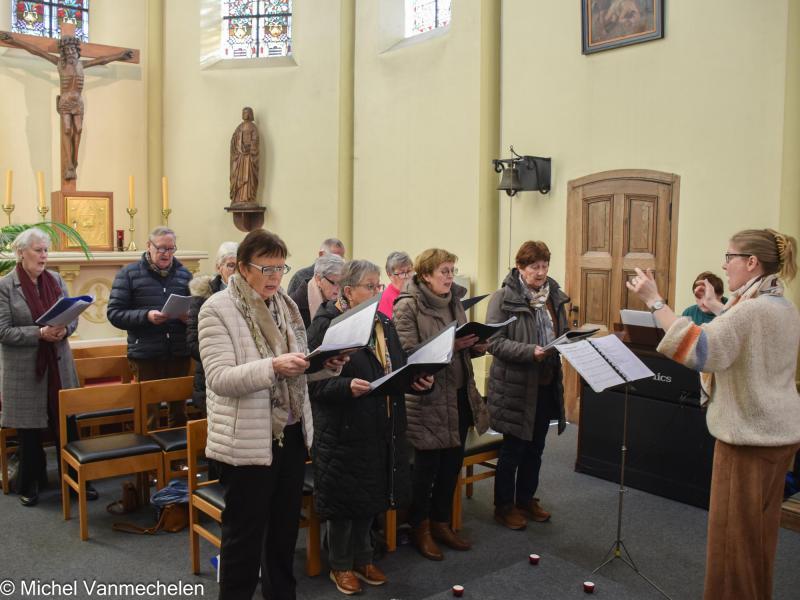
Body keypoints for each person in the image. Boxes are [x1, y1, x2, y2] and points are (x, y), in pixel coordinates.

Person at [626, 228, 800, 600]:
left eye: (730, 256)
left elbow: (699, 349)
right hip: (778, 436)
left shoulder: (751, 310)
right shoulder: (782, 305)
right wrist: (718, 307)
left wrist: (655, 301)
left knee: (732, 547)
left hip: (746, 441)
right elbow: (741, 333)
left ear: (751, 262)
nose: (724, 264)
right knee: (757, 542)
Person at [198, 229, 348, 600]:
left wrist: (324, 364)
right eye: (266, 269)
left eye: (281, 268)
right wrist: (273, 368)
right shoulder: (217, 308)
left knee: (283, 533)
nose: (275, 277)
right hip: (247, 440)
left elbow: (297, 363)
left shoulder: (285, 305)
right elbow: (219, 379)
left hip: (291, 433)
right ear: (243, 268)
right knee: (244, 538)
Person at [307, 260, 433, 595]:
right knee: (344, 501)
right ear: (348, 291)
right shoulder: (328, 324)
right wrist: (344, 387)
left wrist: (416, 380)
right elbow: (312, 385)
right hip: (342, 428)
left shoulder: (382, 321)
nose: (378, 292)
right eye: (370, 286)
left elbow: (397, 365)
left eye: (379, 286)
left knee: (369, 495)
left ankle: (363, 558)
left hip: (380, 424)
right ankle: (340, 565)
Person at [393, 248, 490, 560]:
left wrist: (475, 345)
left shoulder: (455, 301)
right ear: (425, 276)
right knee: (426, 470)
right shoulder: (407, 306)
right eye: (444, 271)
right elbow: (407, 355)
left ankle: (441, 522)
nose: (451, 277)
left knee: (451, 465)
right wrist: (451, 345)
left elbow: (461, 346)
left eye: (452, 270)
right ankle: (420, 526)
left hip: (459, 393)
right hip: (427, 397)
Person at [0, 228, 89, 506]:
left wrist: (65, 330)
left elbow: (72, 316)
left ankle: (76, 481)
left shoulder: (57, 279)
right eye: (38, 250)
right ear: (21, 252)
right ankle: (30, 483)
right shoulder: (5, 285)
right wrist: (39, 334)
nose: (43, 256)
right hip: (25, 369)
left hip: (59, 365)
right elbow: (3, 331)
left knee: (67, 424)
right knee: (29, 432)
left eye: (46, 251)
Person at [486, 241, 568, 530]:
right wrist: (528, 351)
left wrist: (573, 341)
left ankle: (526, 499)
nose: (541, 272)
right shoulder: (503, 297)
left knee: (536, 447)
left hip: (546, 383)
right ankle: (504, 507)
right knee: (514, 449)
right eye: (534, 266)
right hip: (515, 385)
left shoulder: (553, 296)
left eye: (545, 266)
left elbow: (562, 332)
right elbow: (493, 342)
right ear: (520, 267)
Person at [0, 31, 133, 181]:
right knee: (67, 129)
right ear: (63, 52)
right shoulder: (59, 64)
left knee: (79, 129)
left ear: (77, 52)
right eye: (67, 50)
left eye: (73, 50)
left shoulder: (82, 65)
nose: (71, 53)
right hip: (65, 102)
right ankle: (69, 164)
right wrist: (15, 41)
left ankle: (74, 162)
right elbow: (37, 51)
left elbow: (102, 60)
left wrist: (120, 55)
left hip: (78, 103)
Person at [107, 226, 193, 429]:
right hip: (145, 353)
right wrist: (146, 316)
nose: (166, 254)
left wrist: (187, 317)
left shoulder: (184, 275)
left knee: (179, 413)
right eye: (161, 248)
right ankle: (149, 458)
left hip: (178, 351)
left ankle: (179, 459)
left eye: (171, 249)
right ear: (149, 246)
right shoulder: (128, 274)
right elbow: (114, 314)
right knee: (149, 414)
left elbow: (197, 312)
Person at [186, 241, 238, 415]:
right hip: (210, 379)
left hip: (242, 379)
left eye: (240, 266)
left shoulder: (252, 295)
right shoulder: (203, 297)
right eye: (231, 265)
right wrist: (225, 355)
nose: (235, 271)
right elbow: (193, 343)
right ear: (219, 267)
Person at [289, 253, 344, 328]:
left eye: (342, 283)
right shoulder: (294, 306)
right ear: (318, 279)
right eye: (334, 283)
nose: (339, 288)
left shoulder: (339, 301)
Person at [229, 106, 260, 205]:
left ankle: (248, 197)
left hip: (249, 157)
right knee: (238, 175)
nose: (244, 114)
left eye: (246, 112)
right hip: (240, 156)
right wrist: (238, 145)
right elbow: (234, 140)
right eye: (243, 112)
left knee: (249, 176)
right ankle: (238, 197)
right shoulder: (239, 127)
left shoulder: (253, 127)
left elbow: (255, 141)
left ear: (250, 114)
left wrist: (249, 147)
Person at [378, 251, 414, 318]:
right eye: (402, 273)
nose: (407, 276)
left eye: (409, 271)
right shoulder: (386, 298)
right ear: (390, 275)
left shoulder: (416, 290)